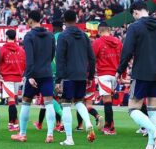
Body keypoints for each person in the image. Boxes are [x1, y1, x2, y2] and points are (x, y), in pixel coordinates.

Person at [116, 1, 156, 149]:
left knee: (132, 108)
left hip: (141, 73)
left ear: (136, 12)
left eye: (134, 15)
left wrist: (120, 70)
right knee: (152, 108)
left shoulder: (135, 27)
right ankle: (151, 145)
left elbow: (127, 51)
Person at [12, 10, 57, 143]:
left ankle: (22, 134)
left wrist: (30, 75)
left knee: (26, 102)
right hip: (47, 73)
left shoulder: (29, 36)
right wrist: (45, 66)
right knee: (49, 104)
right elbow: (52, 55)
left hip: (34, 74)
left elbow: (29, 58)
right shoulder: (50, 36)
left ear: (31, 20)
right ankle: (49, 135)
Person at [55, 9, 97, 145]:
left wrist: (58, 79)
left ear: (64, 21)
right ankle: (88, 122)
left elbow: (60, 59)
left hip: (68, 75)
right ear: (76, 19)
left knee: (66, 104)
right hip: (81, 75)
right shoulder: (84, 36)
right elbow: (92, 57)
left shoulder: (62, 36)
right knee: (79, 101)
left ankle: (69, 138)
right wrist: (90, 75)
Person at [93, 21, 121, 135]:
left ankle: (109, 128)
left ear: (99, 31)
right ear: (109, 30)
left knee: (107, 101)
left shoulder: (97, 42)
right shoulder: (118, 42)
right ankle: (110, 125)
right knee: (109, 100)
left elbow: (92, 58)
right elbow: (122, 58)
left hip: (104, 74)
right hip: (115, 74)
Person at [0, 28, 25, 132]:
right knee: (13, 99)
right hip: (18, 77)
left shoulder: (3, 49)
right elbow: (24, 64)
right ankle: (12, 122)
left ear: (6, 37)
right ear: (15, 37)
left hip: (7, 77)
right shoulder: (21, 50)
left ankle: (14, 124)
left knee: (11, 101)